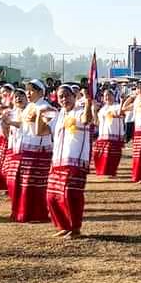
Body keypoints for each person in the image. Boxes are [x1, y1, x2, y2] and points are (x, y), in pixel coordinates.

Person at [45, 86, 94, 239]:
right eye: (61, 97)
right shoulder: (59, 114)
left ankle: (75, 229)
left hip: (75, 160)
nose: (64, 99)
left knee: (70, 194)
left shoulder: (79, 111)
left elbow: (87, 120)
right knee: (52, 196)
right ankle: (64, 226)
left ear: (74, 96)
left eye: (67, 96)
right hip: (58, 161)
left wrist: (87, 103)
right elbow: (43, 131)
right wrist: (40, 116)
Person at [9, 80, 54, 223]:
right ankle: (23, 212)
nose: (28, 93)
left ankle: (37, 213)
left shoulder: (45, 107)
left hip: (39, 151)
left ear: (41, 92)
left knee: (35, 183)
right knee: (24, 183)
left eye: (31, 90)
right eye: (27, 90)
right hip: (26, 148)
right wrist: (9, 122)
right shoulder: (30, 107)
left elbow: (48, 126)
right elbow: (24, 125)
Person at [0, 88, 28, 199]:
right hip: (13, 146)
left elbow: (24, 125)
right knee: (9, 172)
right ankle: (13, 191)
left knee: (23, 174)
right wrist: (4, 123)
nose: (18, 98)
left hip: (25, 146)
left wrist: (10, 122)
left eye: (21, 96)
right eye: (16, 96)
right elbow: (7, 133)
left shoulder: (29, 111)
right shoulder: (11, 113)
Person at [93, 89, 125, 177]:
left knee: (112, 156)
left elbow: (120, 113)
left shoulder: (117, 106)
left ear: (114, 97)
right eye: (105, 95)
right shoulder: (102, 109)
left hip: (113, 135)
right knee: (98, 154)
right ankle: (102, 171)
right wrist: (94, 110)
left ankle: (111, 172)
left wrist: (122, 101)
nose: (107, 97)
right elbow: (96, 122)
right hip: (102, 135)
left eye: (109, 95)